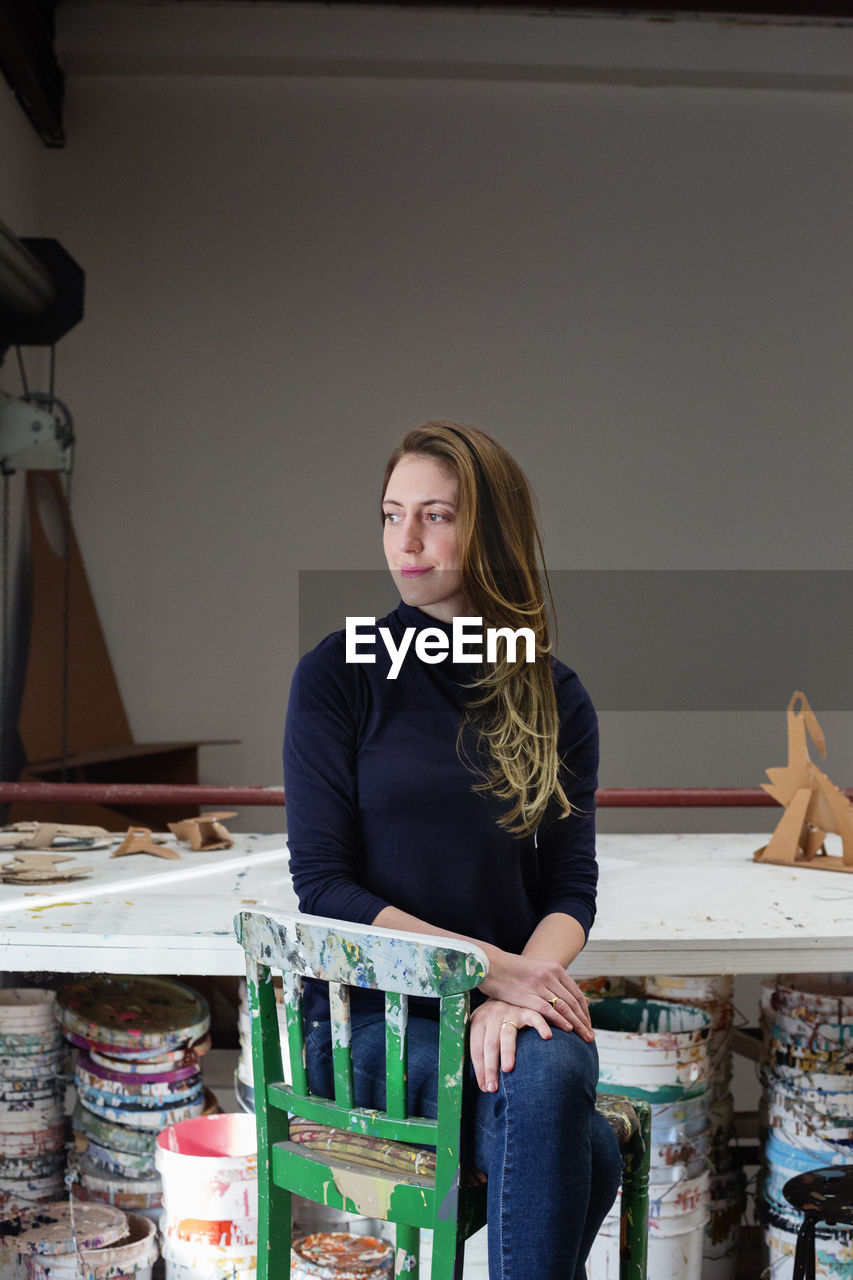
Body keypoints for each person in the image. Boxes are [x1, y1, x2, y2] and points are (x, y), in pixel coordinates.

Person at [283, 421, 621, 1280]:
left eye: (434, 515)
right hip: (369, 1020)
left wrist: (518, 991)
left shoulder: (554, 694)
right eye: (393, 514)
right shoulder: (339, 674)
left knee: (551, 1087)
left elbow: (568, 885)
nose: (406, 539)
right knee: (572, 1119)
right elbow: (322, 885)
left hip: (504, 1017)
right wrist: (487, 974)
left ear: (489, 530)